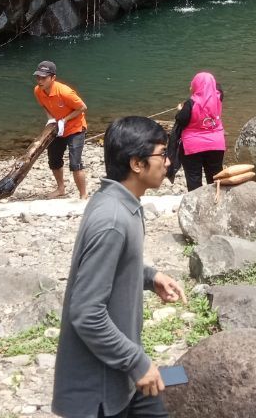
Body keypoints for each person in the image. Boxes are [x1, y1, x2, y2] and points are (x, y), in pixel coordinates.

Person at [52, 116, 186, 418]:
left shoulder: (121, 203)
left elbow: (116, 268)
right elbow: (86, 313)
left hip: (121, 376)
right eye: (161, 154)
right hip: (98, 393)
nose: (167, 162)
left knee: (172, 391)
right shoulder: (112, 220)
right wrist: (137, 362)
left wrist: (151, 277)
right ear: (137, 164)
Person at [34, 60, 89, 199]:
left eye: (44, 78)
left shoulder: (65, 92)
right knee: (54, 160)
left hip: (75, 128)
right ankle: (61, 188)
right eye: (38, 77)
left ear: (53, 78)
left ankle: (83, 195)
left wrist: (64, 120)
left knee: (75, 163)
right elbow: (44, 106)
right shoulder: (38, 91)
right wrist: (51, 119)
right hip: (57, 128)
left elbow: (82, 107)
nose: (40, 81)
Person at [173, 72, 226, 190]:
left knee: (194, 178)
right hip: (216, 144)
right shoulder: (218, 98)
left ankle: (197, 202)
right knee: (216, 177)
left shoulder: (190, 104)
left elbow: (180, 120)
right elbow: (218, 87)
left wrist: (180, 110)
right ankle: (218, 201)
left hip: (193, 147)